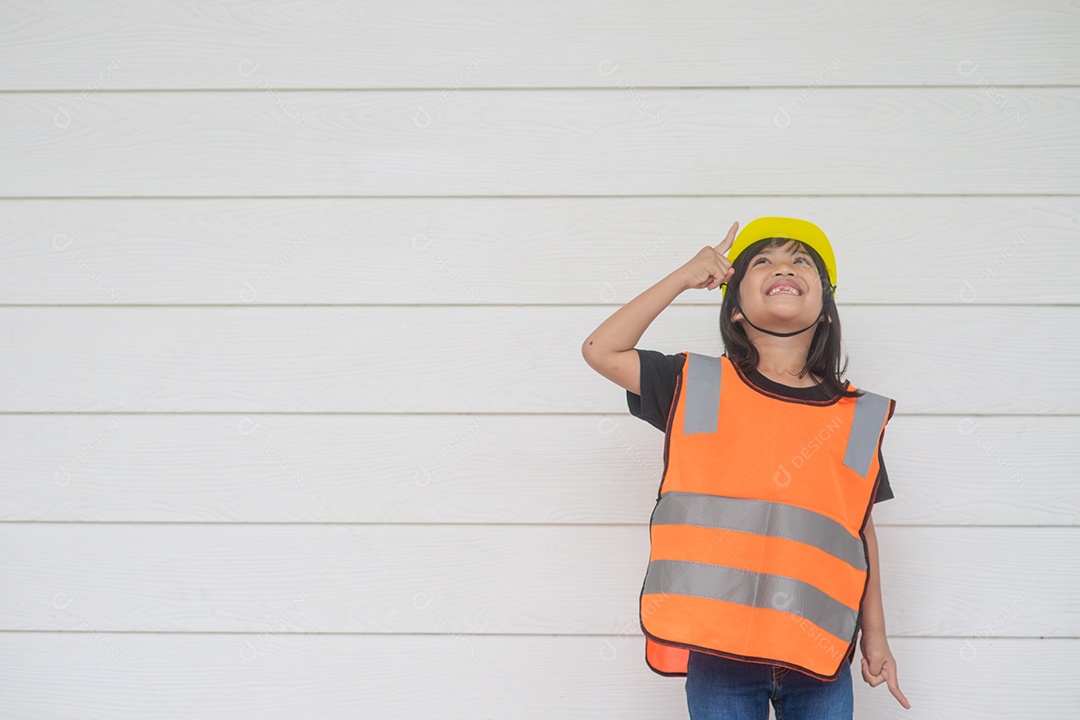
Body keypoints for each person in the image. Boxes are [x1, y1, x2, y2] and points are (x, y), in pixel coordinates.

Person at [581, 217, 911, 719]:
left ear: (826, 309)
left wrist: (877, 638)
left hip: (819, 655)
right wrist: (683, 276)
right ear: (734, 309)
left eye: (802, 261)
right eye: (764, 261)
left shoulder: (858, 417)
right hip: (720, 653)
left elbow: (861, 532)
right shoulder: (694, 384)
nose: (785, 267)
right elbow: (601, 350)